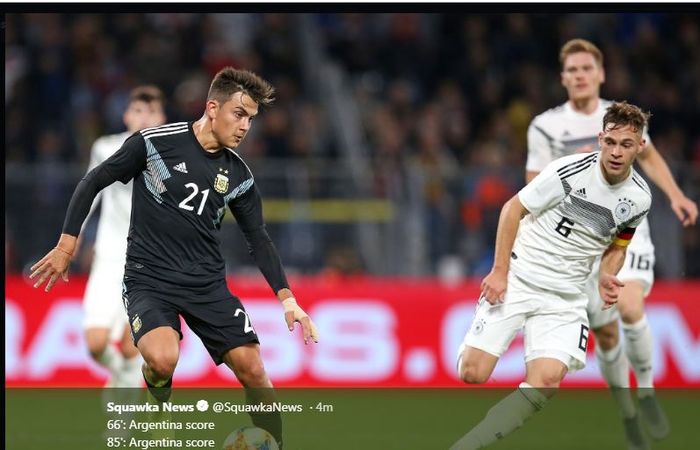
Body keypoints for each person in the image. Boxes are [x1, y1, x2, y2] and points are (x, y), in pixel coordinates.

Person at [30, 67, 319, 449]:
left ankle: (275, 445)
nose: (245, 126)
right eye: (239, 114)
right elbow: (94, 180)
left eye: (251, 118)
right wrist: (67, 247)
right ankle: (158, 411)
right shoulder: (152, 143)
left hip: (206, 284)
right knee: (163, 359)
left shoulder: (239, 175)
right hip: (149, 278)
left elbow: (259, 239)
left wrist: (288, 299)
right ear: (212, 107)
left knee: (253, 369)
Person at [525, 39, 698, 448]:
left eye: (587, 68)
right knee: (605, 335)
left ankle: (648, 390)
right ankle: (628, 413)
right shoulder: (545, 126)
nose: (580, 75)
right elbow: (535, 183)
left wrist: (675, 195)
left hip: (626, 231)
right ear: (563, 77)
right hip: (581, 243)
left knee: (630, 302)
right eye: (572, 70)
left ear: (600, 74)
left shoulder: (620, 119)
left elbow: (651, 156)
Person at [451, 101, 653, 450]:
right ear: (601, 138)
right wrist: (500, 272)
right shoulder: (569, 171)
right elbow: (512, 208)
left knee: (546, 380)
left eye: (626, 144)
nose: (616, 152)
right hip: (521, 277)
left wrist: (607, 274)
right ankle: (473, 343)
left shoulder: (639, 198)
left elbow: (618, 245)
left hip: (567, 297)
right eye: (611, 142)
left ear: (640, 146)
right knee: (473, 374)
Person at [81, 85, 166, 388]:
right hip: (109, 257)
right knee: (95, 343)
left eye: (151, 111)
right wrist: (73, 234)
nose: (144, 118)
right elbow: (90, 191)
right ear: (126, 115)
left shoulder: (171, 155)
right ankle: (119, 373)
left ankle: (120, 424)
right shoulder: (106, 148)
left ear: (162, 118)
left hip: (149, 262)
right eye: (139, 111)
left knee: (134, 346)